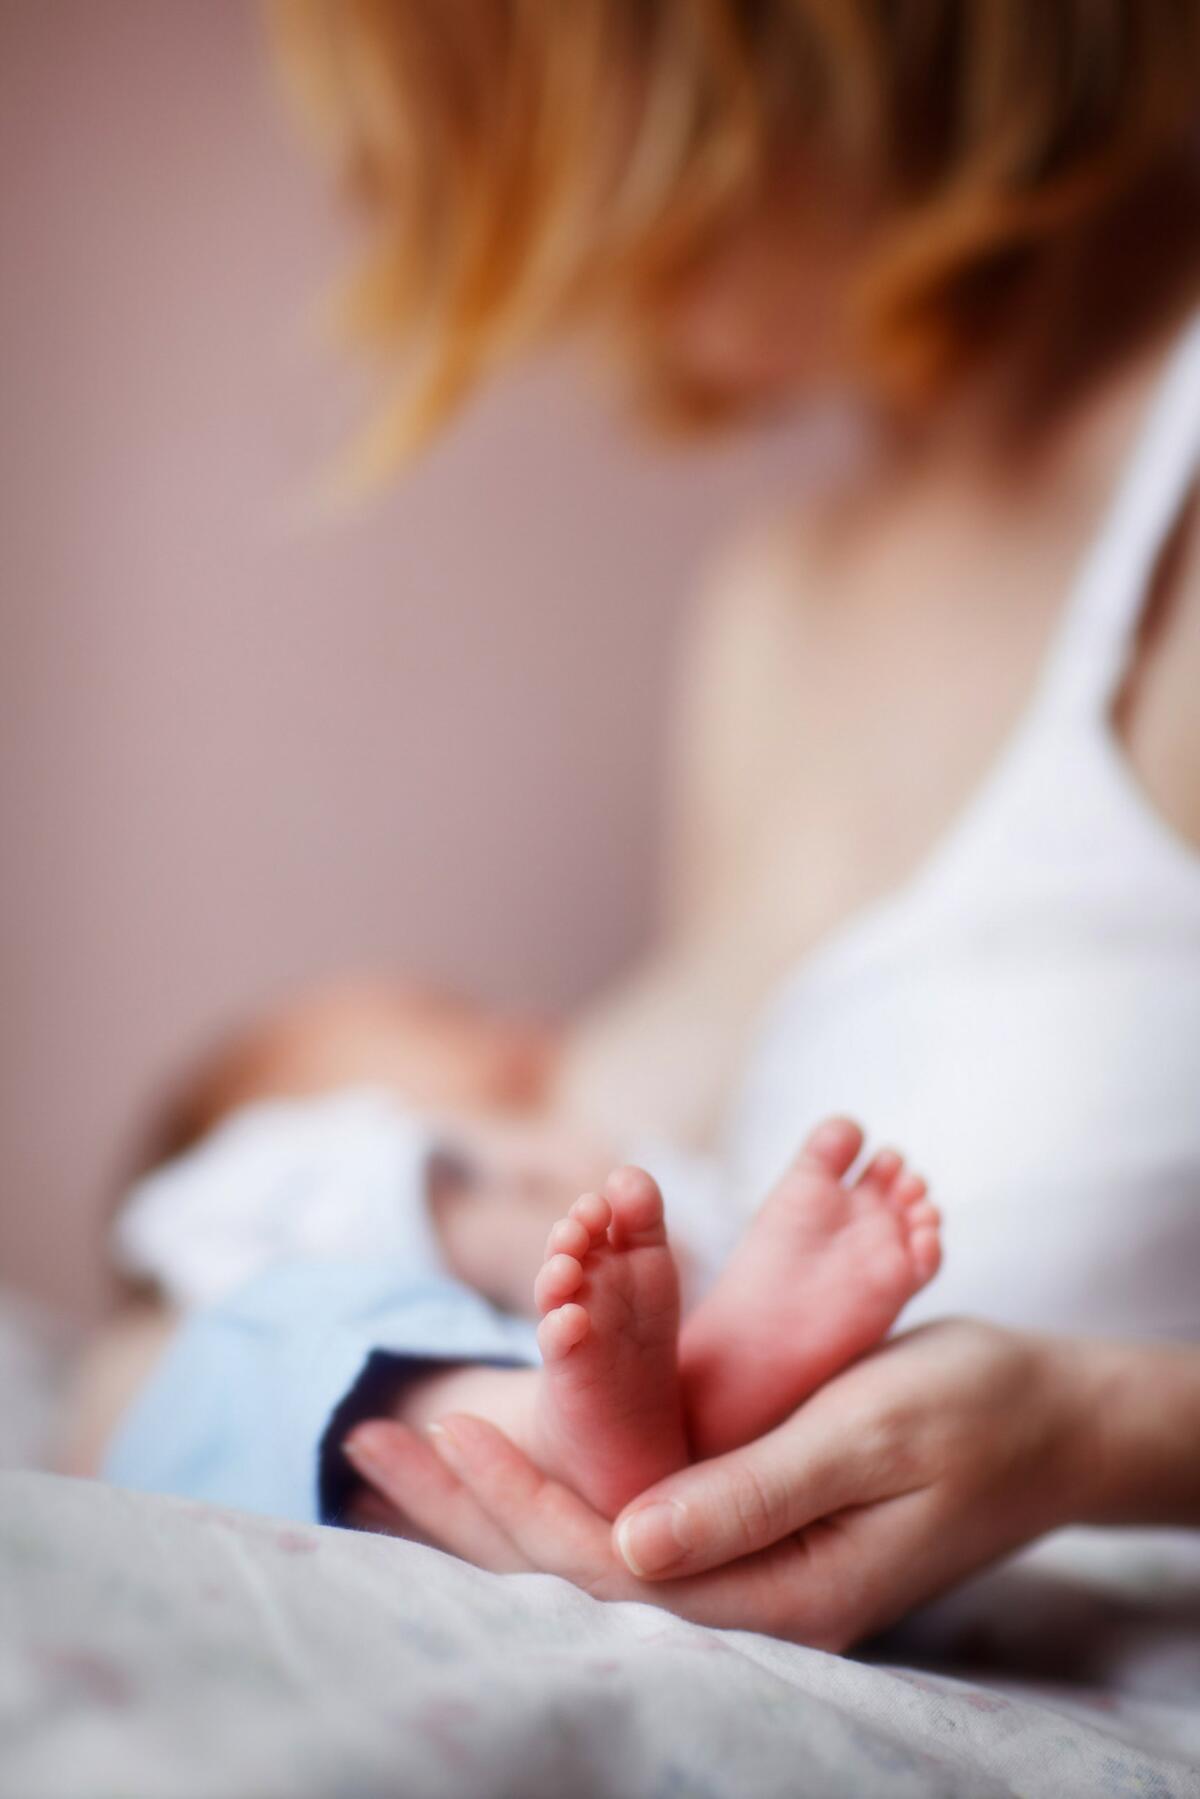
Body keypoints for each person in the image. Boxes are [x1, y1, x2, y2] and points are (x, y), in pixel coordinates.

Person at [87, 0, 1200, 1648]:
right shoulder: (772, 615)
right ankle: (617, 1409)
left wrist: (1099, 1429)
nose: (562, 290)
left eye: (557, 162)